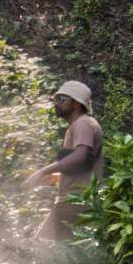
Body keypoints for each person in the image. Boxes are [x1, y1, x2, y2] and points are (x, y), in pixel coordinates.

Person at [24, 80, 104, 241]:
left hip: (75, 201)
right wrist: (57, 178)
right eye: (56, 99)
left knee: (42, 248)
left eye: (62, 99)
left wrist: (44, 171)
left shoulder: (83, 124)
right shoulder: (81, 125)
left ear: (76, 103)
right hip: (76, 200)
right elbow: (85, 164)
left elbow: (81, 156)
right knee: (62, 253)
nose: (57, 104)